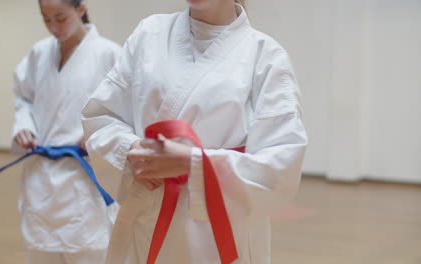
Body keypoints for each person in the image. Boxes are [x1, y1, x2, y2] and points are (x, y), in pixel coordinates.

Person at [81, 0, 307, 263]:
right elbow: (102, 115)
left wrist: (194, 163)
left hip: (218, 232)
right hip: (147, 214)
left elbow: (280, 166)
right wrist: (130, 150)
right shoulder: (149, 33)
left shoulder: (266, 56)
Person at [11, 0, 121, 263]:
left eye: (60, 18)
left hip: (84, 175)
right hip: (42, 176)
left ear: (81, 9)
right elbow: (23, 99)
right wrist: (24, 126)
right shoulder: (39, 53)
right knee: (40, 252)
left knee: (88, 252)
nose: (53, 27)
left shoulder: (110, 54)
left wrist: (99, 132)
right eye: (46, 19)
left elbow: (126, 110)